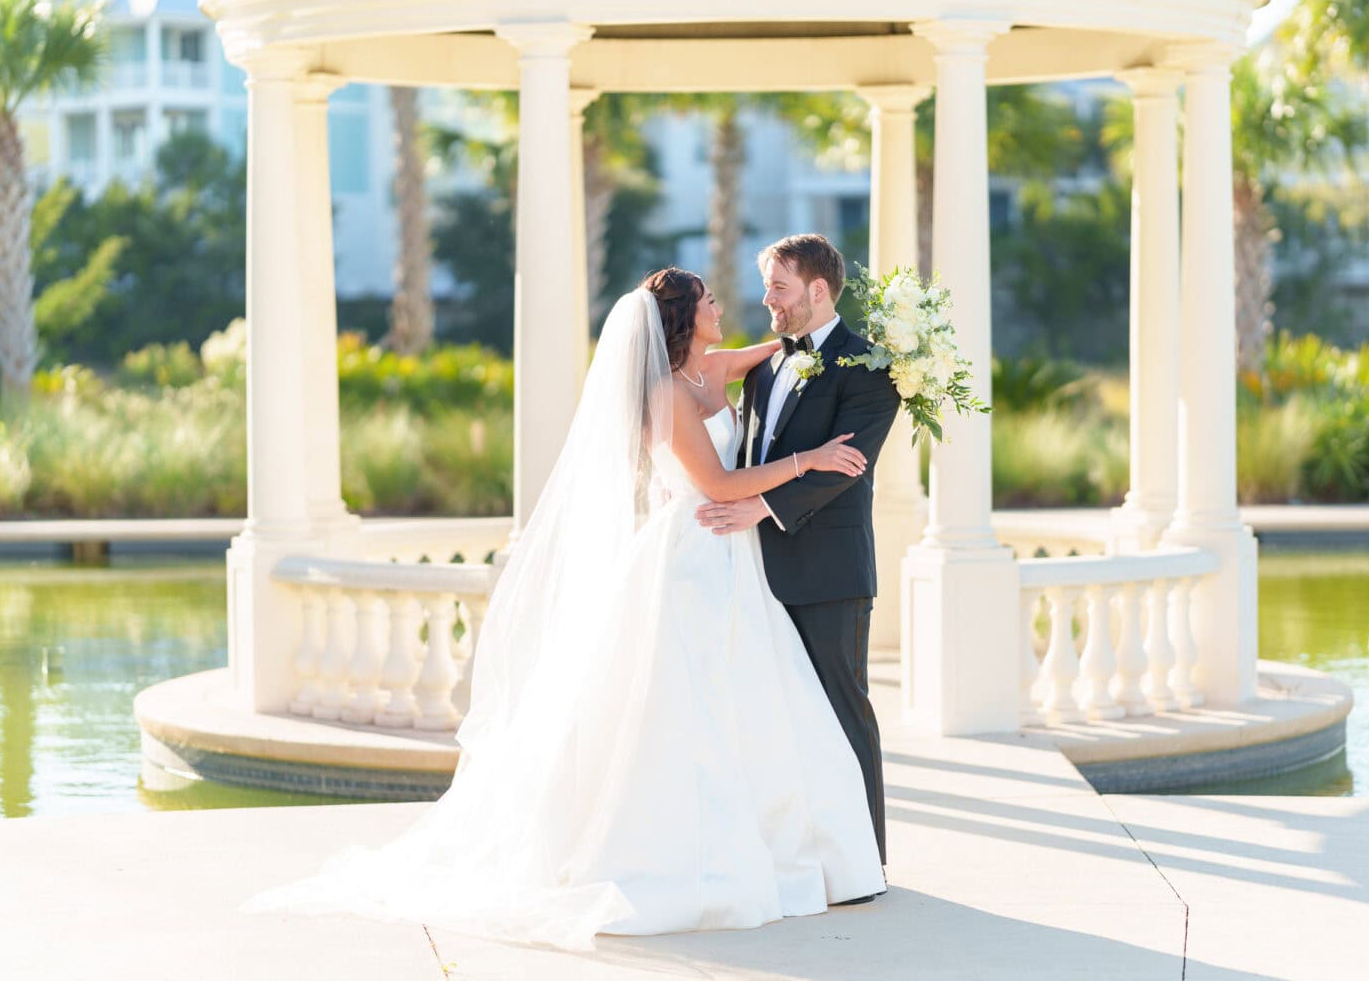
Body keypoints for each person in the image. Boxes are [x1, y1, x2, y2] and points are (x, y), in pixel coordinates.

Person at [243, 266, 887, 951]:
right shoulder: (666, 395)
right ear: (680, 319)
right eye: (708, 300)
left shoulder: (712, 369)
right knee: (688, 705)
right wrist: (809, 459)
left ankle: (795, 844)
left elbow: (792, 351)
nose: (723, 305)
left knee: (757, 701)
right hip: (693, 554)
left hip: (738, 561)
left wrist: (852, 344)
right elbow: (720, 483)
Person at [697, 234, 901, 871]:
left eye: (779, 288)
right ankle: (802, 853)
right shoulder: (766, 364)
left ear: (818, 290)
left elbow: (847, 466)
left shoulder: (871, 366)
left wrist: (760, 507)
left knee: (843, 709)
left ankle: (865, 859)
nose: (767, 301)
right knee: (782, 720)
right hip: (753, 571)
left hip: (829, 571)